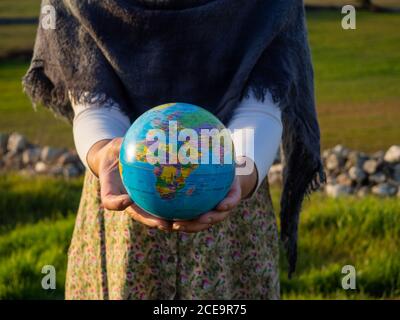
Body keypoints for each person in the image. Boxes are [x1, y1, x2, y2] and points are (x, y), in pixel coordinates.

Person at [23, 0, 325, 299]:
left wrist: (241, 172)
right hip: (125, 191)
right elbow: (90, 94)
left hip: (231, 199)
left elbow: (264, 98)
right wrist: (104, 154)